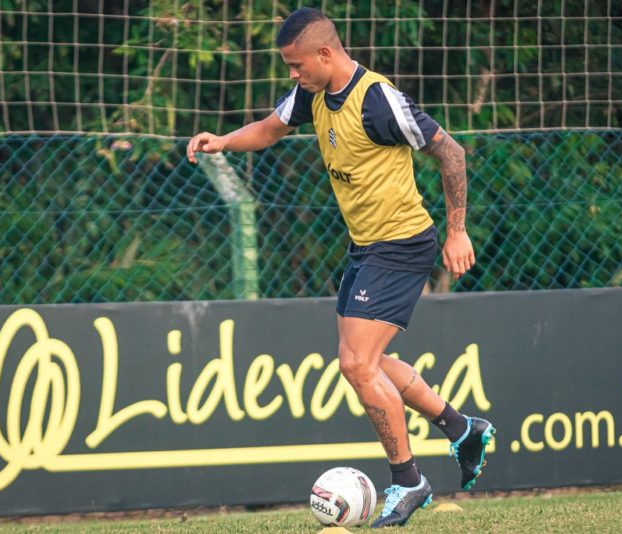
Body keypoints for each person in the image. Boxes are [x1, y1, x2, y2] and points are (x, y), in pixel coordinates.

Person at [187, 7, 495, 528]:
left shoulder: (378, 101)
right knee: (363, 362)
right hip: (365, 247)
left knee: (357, 365)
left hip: (400, 245)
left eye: (296, 64)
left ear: (325, 54)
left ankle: (407, 481)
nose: (292, 74)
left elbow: (452, 153)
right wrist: (221, 142)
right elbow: (268, 129)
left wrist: (458, 229)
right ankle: (462, 429)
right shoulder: (312, 94)